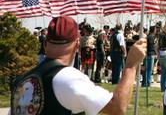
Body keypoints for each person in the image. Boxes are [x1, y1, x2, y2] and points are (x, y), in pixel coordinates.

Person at [10, 16, 147, 115]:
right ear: (77, 45)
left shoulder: (22, 80)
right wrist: (130, 66)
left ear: (45, 44)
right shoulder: (68, 78)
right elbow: (117, 107)